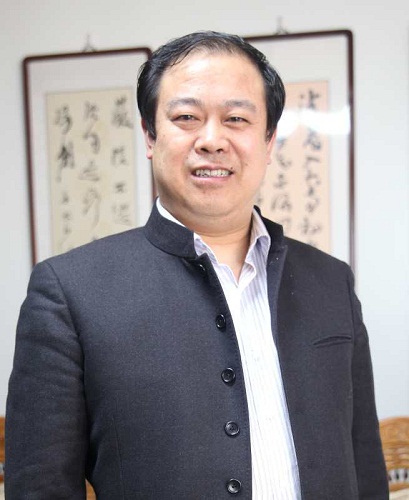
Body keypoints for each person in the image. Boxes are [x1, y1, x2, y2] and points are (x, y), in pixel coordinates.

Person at [6, 31, 388, 499]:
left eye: (236, 119)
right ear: (150, 135)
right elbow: (40, 486)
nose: (212, 140)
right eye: (186, 117)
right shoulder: (70, 292)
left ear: (269, 140)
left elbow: (365, 466)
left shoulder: (330, 281)